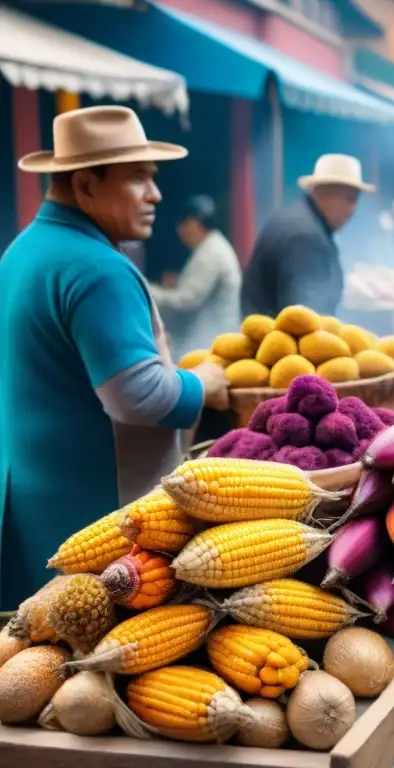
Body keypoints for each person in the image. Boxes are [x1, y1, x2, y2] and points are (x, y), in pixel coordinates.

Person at [0, 106, 230, 608]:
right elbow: (139, 398)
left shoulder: (23, 250)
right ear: (85, 185)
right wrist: (202, 382)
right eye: (139, 179)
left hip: (32, 498)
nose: (156, 195)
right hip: (93, 513)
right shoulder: (98, 268)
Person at [242, 154, 373, 317]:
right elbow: (307, 319)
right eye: (350, 199)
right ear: (326, 193)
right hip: (275, 341)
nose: (352, 210)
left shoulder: (299, 220)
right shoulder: (306, 237)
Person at [149, 195, 241, 357]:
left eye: (183, 224)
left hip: (210, 341)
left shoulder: (211, 252)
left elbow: (187, 301)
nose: (180, 231)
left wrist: (147, 290)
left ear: (195, 222)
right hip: (210, 338)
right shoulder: (211, 245)